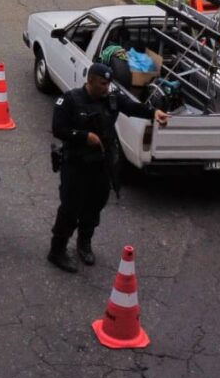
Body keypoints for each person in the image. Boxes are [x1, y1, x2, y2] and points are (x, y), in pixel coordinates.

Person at [48, 63, 169, 273]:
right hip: (76, 165)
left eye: (108, 83)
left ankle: (84, 244)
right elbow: (59, 129)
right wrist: (85, 136)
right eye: (103, 83)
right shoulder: (70, 100)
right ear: (91, 81)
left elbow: (133, 108)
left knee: (94, 206)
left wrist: (154, 112)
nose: (106, 88)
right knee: (70, 209)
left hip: (100, 166)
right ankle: (57, 250)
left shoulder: (111, 100)